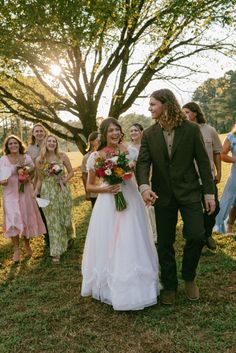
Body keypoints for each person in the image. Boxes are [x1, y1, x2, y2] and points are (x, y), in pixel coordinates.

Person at [136, 89, 215, 305]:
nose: (149, 108)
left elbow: (203, 162)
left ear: (166, 104)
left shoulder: (190, 129)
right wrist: (144, 187)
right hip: (162, 195)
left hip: (190, 192)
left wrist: (208, 193)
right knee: (165, 242)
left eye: (153, 104)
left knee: (197, 235)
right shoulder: (149, 134)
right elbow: (143, 162)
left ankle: (189, 277)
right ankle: (169, 285)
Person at [81, 117, 160, 311]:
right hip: (108, 202)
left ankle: (139, 285)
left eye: (117, 130)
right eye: (111, 131)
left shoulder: (130, 151)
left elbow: (138, 173)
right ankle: (109, 287)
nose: (115, 133)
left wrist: (129, 170)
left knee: (132, 237)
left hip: (131, 198)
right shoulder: (96, 156)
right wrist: (107, 189)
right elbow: (90, 186)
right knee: (110, 240)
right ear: (104, 134)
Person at [182, 102, 222, 250]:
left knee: (214, 207)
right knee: (193, 208)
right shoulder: (182, 131)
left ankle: (207, 234)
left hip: (207, 176)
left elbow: (217, 152)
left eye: (186, 112)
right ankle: (193, 235)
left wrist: (219, 172)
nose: (184, 115)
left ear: (195, 113)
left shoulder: (209, 130)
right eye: (183, 112)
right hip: (189, 178)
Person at [0, 135, 46, 263]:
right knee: (13, 218)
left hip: (25, 190)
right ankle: (16, 249)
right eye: (10, 144)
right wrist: (2, 181)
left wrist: (27, 174)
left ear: (19, 145)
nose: (13, 145)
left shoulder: (26, 158)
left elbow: (33, 173)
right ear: (7, 147)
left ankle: (27, 244)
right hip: (10, 193)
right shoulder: (3, 159)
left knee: (25, 217)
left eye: (15, 143)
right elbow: (1, 177)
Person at [34, 135, 76, 263]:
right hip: (48, 192)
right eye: (49, 141)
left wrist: (64, 179)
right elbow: (40, 179)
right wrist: (36, 191)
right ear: (45, 143)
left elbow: (71, 172)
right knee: (53, 221)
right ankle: (56, 251)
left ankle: (69, 235)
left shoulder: (62, 156)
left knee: (66, 218)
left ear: (57, 144)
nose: (52, 143)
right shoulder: (40, 160)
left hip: (62, 190)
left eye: (54, 141)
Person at [129, 123, 157, 243]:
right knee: (137, 206)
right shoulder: (128, 148)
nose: (133, 132)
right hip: (132, 180)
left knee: (150, 207)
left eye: (136, 130)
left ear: (141, 132)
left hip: (148, 177)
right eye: (131, 131)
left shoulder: (147, 145)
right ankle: (141, 232)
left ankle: (155, 234)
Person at [27, 123, 50, 247]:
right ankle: (48, 237)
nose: (39, 133)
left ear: (45, 132)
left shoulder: (51, 143)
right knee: (42, 210)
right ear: (33, 133)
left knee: (54, 207)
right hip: (38, 183)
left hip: (52, 181)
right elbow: (29, 167)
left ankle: (62, 234)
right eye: (37, 131)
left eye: (41, 131)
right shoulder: (30, 149)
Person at [215, 124, 236, 235]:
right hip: (235, 174)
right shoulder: (231, 136)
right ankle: (224, 225)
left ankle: (230, 225)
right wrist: (235, 159)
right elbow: (222, 155)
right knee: (230, 199)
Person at [81, 131, 99, 208]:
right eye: (98, 139)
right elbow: (84, 175)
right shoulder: (86, 157)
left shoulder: (105, 153)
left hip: (106, 190)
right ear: (92, 142)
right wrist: (87, 192)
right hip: (94, 192)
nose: (100, 141)